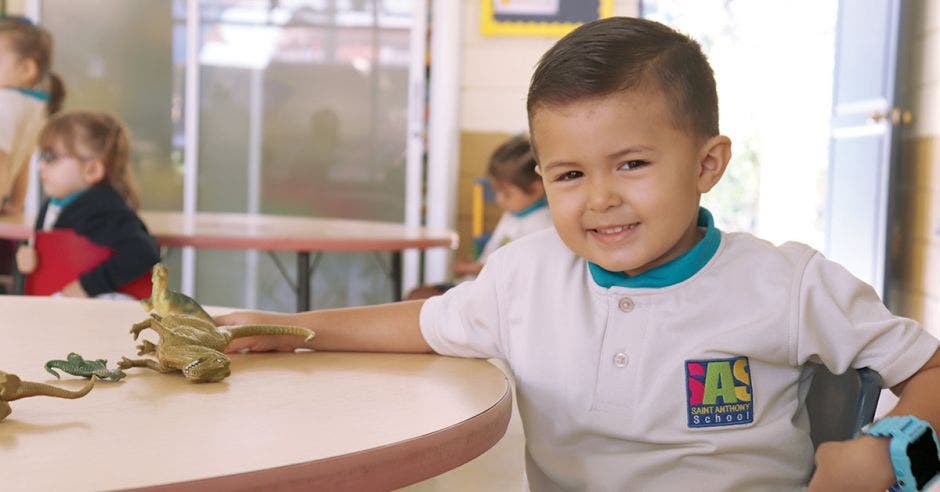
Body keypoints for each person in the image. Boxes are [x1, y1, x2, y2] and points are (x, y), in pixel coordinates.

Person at [215, 17, 940, 490]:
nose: (598, 199)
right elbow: (426, 324)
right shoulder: (526, 275)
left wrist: (891, 447)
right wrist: (297, 329)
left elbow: (930, 366)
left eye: (631, 164)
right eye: (568, 175)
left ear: (708, 164)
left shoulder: (785, 283)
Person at [15, 111, 159, 298]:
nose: (40, 166)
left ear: (92, 169)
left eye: (51, 157)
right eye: (41, 156)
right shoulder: (51, 205)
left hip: (96, 316)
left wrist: (87, 286)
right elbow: (44, 247)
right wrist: (26, 254)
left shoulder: (103, 209)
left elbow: (143, 253)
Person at [408, 134, 551, 299]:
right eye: (496, 191)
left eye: (506, 193)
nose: (498, 199)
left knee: (418, 298)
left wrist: (473, 269)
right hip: (477, 285)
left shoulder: (542, 225)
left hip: (494, 297)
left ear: (536, 188)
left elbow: (517, 274)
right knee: (417, 294)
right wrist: (473, 266)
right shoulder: (512, 215)